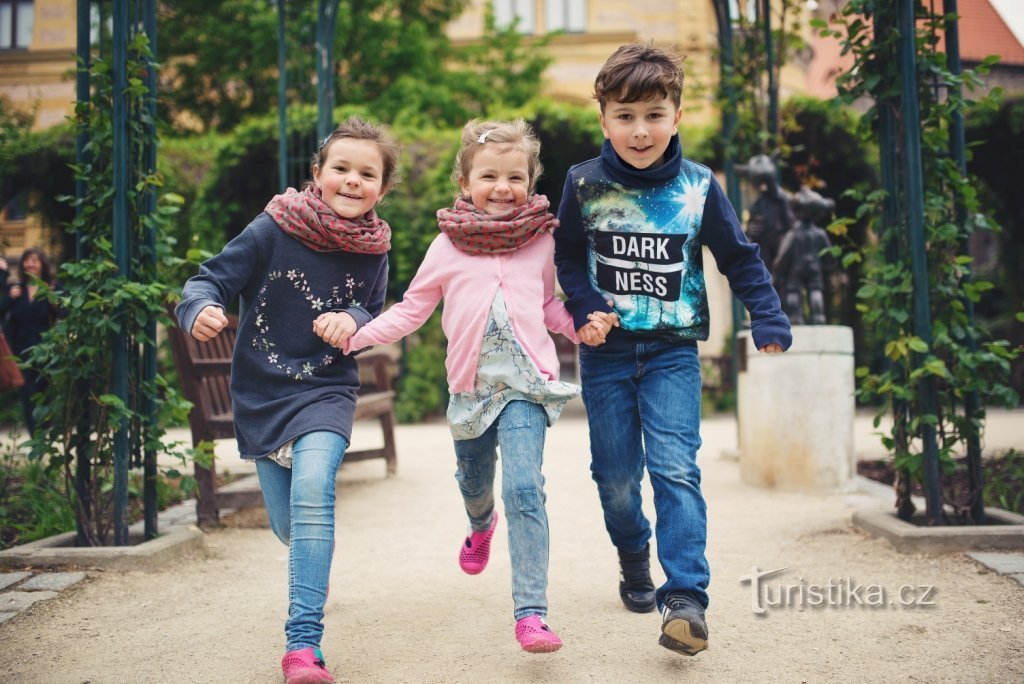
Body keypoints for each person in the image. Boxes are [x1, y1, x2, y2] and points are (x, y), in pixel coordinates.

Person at [318, 119, 615, 654]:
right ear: (465, 182)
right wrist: (356, 336)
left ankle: (532, 614)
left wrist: (580, 327)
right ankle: (481, 524)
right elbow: (412, 309)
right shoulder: (447, 247)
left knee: (525, 489)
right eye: (489, 176)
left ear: (531, 181)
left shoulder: (542, 241)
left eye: (515, 177)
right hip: (470, 389)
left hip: (527, 386)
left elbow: (549, 306)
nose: (503, 188)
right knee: (474, 480)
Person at [553, 44, 793, 656]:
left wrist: (766, 314)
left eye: (654, 114)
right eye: (625, 115)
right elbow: (568, 259)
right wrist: (584, 310)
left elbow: (739, 256)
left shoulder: (698, 188)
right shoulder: (582, 184)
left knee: (676, 468)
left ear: (677, 116)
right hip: (605, 356)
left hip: (671, 354)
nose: (640, 130)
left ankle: (685, 597)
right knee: (614, 478)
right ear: (603, 118)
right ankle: (633, 556)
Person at [175, 116, 400, 684]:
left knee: (313, 497)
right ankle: (311, 569)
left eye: (366, 173)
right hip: (264, 394)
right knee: (289, 528)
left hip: (326, 391)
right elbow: (210, 281)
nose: (353, 181)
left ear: (383, 187)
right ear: (317, 174)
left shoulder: (375, 249)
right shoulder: (271, 229)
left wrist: (351, 318)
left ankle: (303, 646)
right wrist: (197, 309)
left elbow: (373, 308)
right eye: (341, 169)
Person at [0, 248, 59, 435]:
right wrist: (9, 298)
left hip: (46, 351)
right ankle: (36, 435)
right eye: (27, 260)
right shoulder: (16, 290)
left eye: (35, 260)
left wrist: (54, 300)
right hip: (20, 352)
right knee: (28, 394)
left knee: (44, 392)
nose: (30, 264)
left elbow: (64, 315)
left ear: (42, 264)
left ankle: (45, 432)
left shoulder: (52, 289)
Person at [773, 187, 835, 325]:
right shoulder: (820, 233)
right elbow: (829, 253)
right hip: (815, 266)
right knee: (816, 290)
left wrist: (778, 271)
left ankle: (796, 317)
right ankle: (818, 316)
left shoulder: (793, 234)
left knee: (793, 291)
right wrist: (830, 264)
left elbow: (784, 254)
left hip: (797, 267)